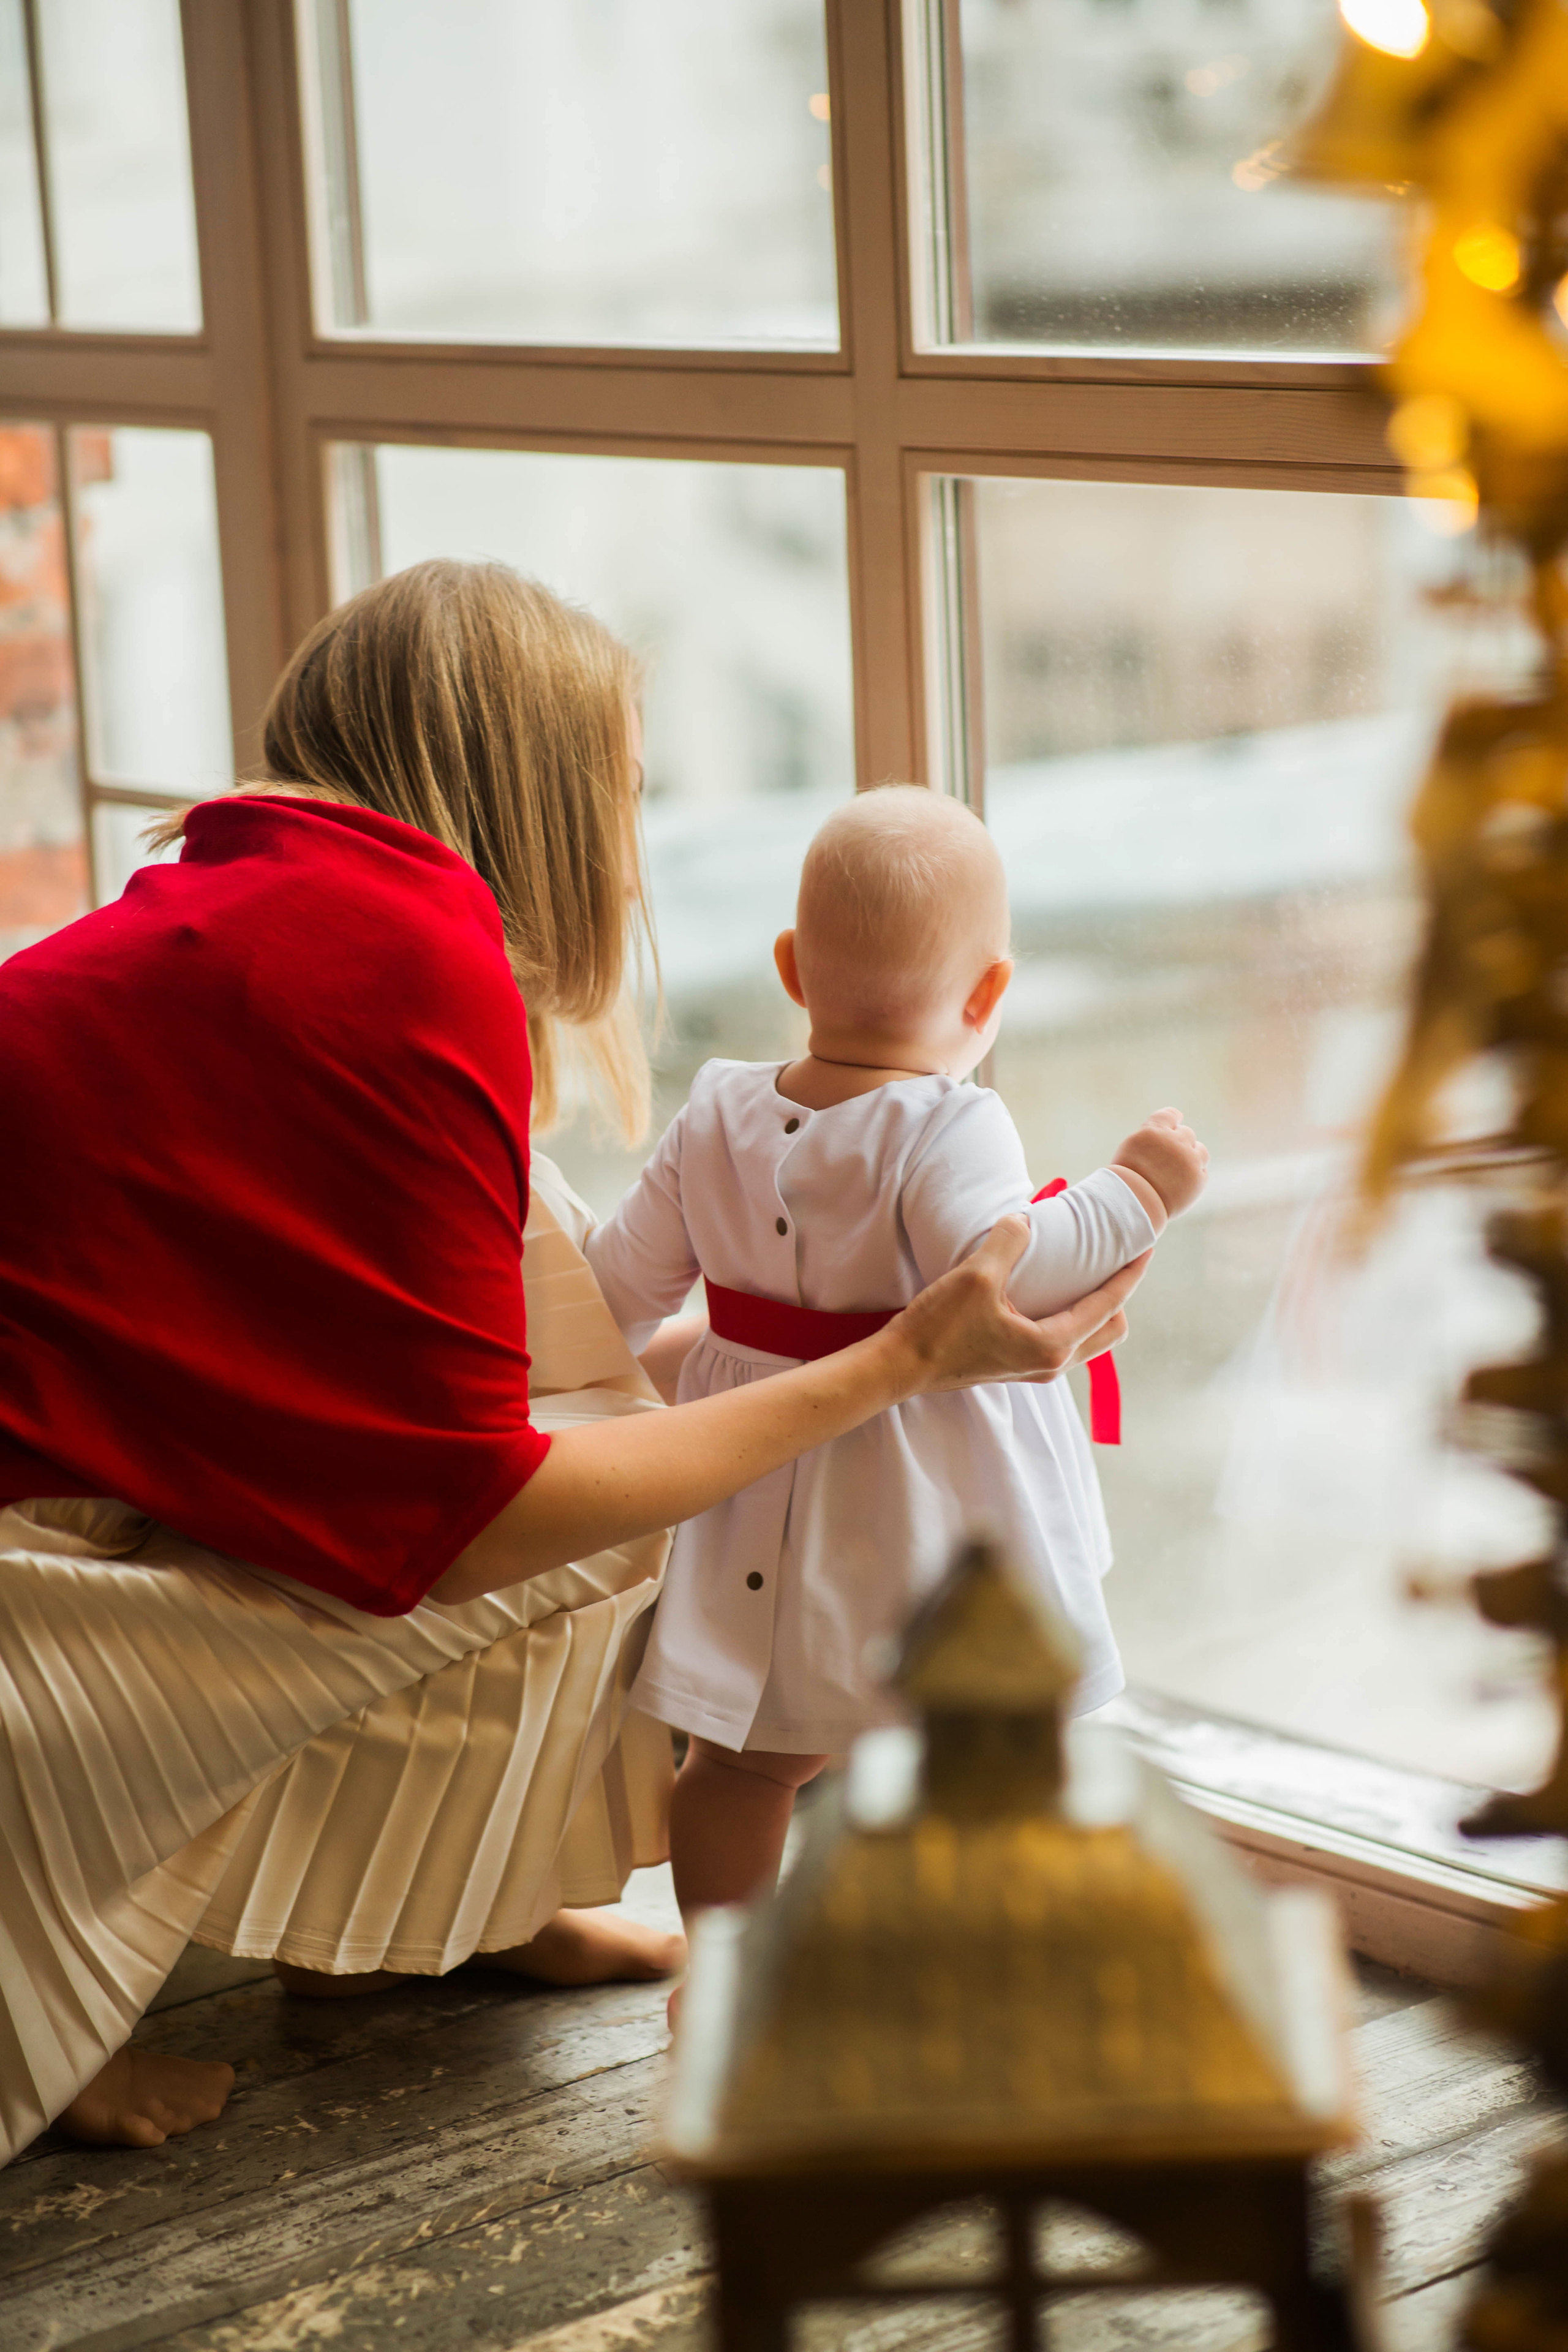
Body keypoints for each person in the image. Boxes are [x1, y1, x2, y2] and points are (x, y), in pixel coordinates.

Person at [0, 568, 1145, 2164]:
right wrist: (893, 1362)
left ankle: (445, 1914)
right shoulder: (408, 963)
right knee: (664, 1516)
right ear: (530, 777)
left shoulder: (262, 891)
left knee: (634, 1411)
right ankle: (55, 2022)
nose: (631, 832)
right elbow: (477, 1509)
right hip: (29, 1555)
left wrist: (733, 1347)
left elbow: (449, 1323)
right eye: (624, 785)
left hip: (63, 1436)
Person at [584, 786, 1207, 1936]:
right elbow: (1008, 1271)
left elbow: (612, 1291)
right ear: (990, 994)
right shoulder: (947, 1122)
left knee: (747, 1761)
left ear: (790, 969)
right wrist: (1137, 1193)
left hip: (753, 1474)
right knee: (969, 1750)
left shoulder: (713, 1111)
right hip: (921, 1489)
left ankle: (720, 1983)